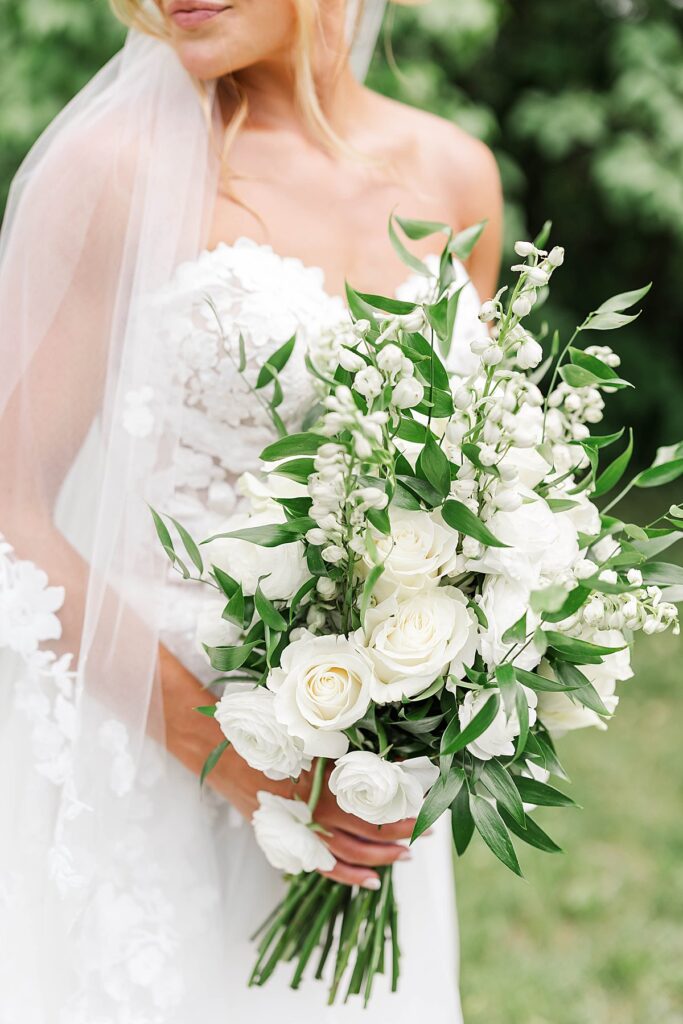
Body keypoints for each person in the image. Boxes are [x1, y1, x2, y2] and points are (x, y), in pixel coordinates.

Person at [0, 1, 502, 1020]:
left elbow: (473, 495)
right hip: (149, 758)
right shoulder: (116, 171)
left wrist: (425, 700)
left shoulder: (455, 177)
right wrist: (232, 760)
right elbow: (9, 506)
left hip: (362, 782)